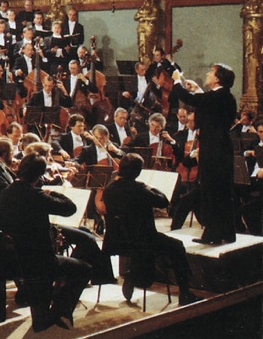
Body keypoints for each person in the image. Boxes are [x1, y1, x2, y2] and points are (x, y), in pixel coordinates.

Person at [0, 153, 91, 331]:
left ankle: (44, 314)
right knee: (84, 269)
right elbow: (70, 208)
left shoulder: (5, 193)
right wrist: (53, 192)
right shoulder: (36, 194)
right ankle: (58, 311)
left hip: (13, 258)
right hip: (40, 261)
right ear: (39, 175)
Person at [102, 153, 201, 305]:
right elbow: (163, 202)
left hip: (117, 241)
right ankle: (185, 293)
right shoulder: (139, 189)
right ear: (137, 172)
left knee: (144, 252)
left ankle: (133, 275)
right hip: (143, 240)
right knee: (177, 246)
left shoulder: (108, 190)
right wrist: (148, 186)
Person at [171, 64, 238, 245]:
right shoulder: (226, 96)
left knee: (211, 191)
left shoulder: (216, 96)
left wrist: (177, 81)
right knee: (222, 192)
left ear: (217, 79)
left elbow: (188, 98)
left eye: (211, 72)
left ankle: (212, 234)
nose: (208, 74)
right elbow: (207, 105)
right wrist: (198, 90)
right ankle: (227, 233)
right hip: (222, 149)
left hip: (213, 150)